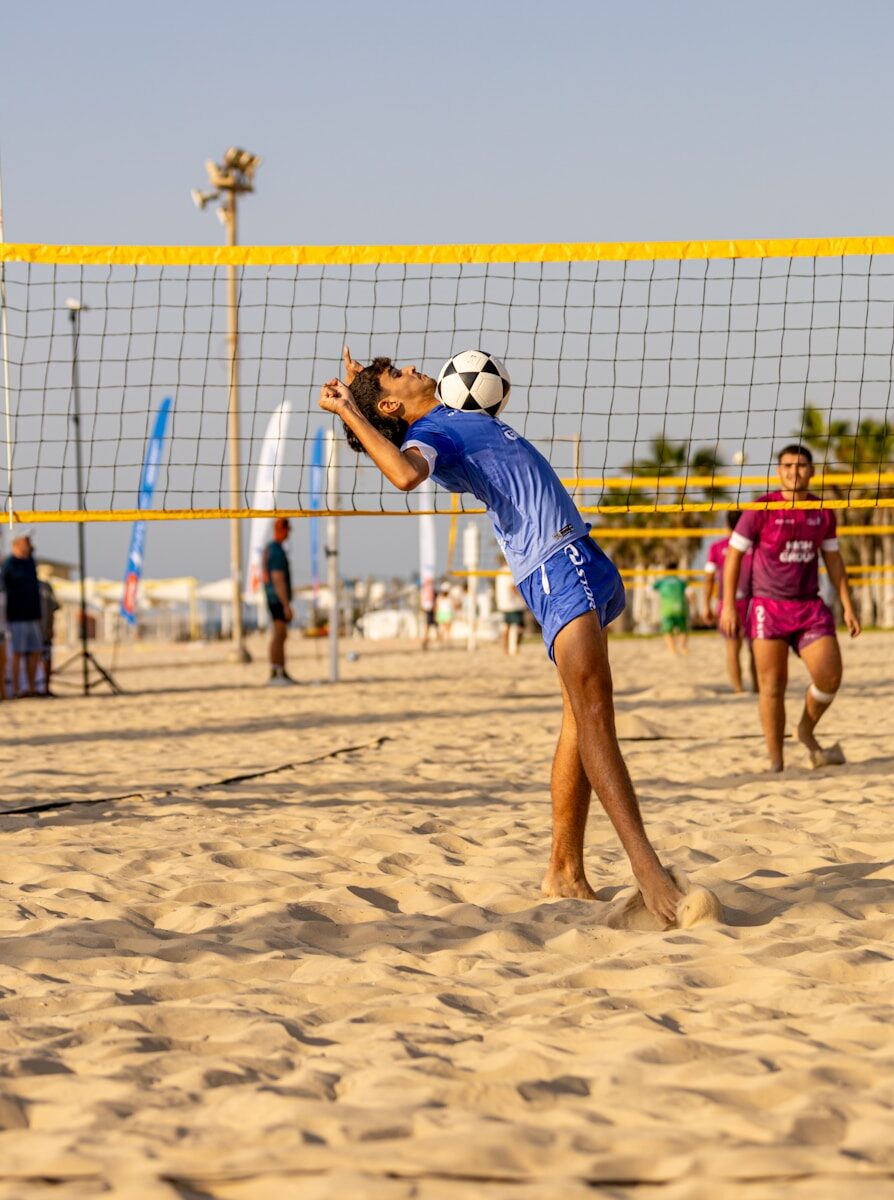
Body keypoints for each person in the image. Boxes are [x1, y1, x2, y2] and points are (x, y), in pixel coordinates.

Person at [318, 347, 682, 924]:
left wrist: (364, 384)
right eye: (398, 374)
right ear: (393, 404)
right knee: (593, 715)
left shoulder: (452, 413)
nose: (415, 367)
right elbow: (405, 474)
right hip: (554, 563)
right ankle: (648, 871)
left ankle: (565, 871)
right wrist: (352, 412)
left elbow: (391, 421)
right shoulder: (433, 433)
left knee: (577, 715)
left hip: (578, 554)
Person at [720, 444, 860, 771]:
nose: (794, 472)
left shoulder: (822, 511)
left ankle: (804, 730)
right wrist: (728, 604)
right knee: (772, 686)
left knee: (830, 677)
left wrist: (848, 605)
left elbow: (834, 561)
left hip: (809, 606)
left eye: (800, 466)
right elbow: (734, 556)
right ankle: (776, 762)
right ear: (778, 471)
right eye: (787, 466)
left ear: (811, 471)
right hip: (768, 607)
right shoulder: (761, 509)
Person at [704, 512, 756, 693]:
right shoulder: (754, 545)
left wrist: (706, 606)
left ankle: (739, 689)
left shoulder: (717, 547)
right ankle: (757, 688)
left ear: (727, 523)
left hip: (726, 602)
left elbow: (709, 579)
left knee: (733, 649)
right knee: (755, 648)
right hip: (753, 602)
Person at [1, 530, 42, 698]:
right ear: (17, 544)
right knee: (18, 652)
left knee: (35, 651)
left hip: (33, 614)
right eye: (26, 541)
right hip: (17, 616)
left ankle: (31, 688)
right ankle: (17, 689)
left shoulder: (31, 562)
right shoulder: (9, 564)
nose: (29, 545)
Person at [262, 517, 297, 686]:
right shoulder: (276, 551)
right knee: (279, 634)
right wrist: (286, 605)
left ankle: (278, 670)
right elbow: (278, 579)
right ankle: (277, 672)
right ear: (282, 529)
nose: (289, 533)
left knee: (279, 635)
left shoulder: (270, 549)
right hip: (276, 599)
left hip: (272, 597)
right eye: (288, 529)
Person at [653, 561, 689, 656]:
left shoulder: (662, 582)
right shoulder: (681, 582)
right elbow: (689, 592)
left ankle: (672, 650)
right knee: (683, 630)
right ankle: (683, 647)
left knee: (667, 631)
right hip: (680, 608)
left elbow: (651, 588)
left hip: (667, 609)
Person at [38, 576, 60, 697]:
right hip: (34, 628)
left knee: (46, 656)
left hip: (44, 630)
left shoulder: (45, 586)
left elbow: (53, 608)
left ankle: (45, 687)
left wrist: (51, 626)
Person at [495, 569, 525, 655]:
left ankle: (505, 649)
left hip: (503, 604)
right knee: (519, 627)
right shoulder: (510, 569)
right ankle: (516, 649)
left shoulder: (500, 572)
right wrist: (522, 598)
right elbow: (512, 587)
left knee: (506, 626)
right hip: (513, 605)